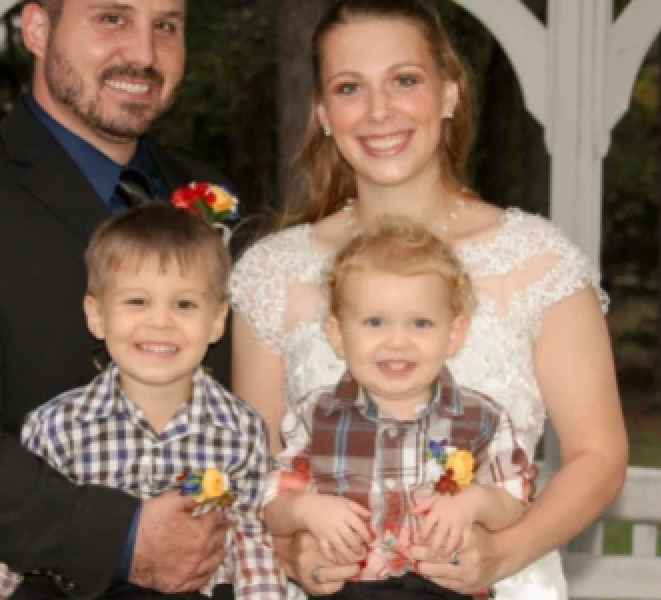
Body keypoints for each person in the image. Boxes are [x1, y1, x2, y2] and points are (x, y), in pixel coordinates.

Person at [228, 0, 628, 597]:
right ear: (323, 112)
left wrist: (502, 553)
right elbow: (255, 470)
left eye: (405, 80)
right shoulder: (272, 273)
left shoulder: (538, 261)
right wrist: (295, 551)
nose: (379, 110)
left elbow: (599, 456)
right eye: (349, 87)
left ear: (449, 92)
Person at [0, 1, 236, 598]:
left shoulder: (215, 195)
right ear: (37, 29)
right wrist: (122, 539)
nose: (143, 53)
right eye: (112, 18)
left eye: (165, 25)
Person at [0, 205, 283, 600]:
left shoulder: (241, 430)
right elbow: (17, 537)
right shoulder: (57, 426)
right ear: (96, 315)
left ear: (217, 321)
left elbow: (251, 541)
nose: (160, 322)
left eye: (184, 304)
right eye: (137, 302)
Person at [262, 217, 535, 600]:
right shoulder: (316, 415)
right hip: (347, 587)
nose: (397, 341)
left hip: (444, 585)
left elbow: (515, 500)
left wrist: (476, 502)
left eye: (421, 323)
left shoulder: (481, 418)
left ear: (454, 334)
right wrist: (306, 511)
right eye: (374, 322)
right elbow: (273, 505)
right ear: (338, 334)